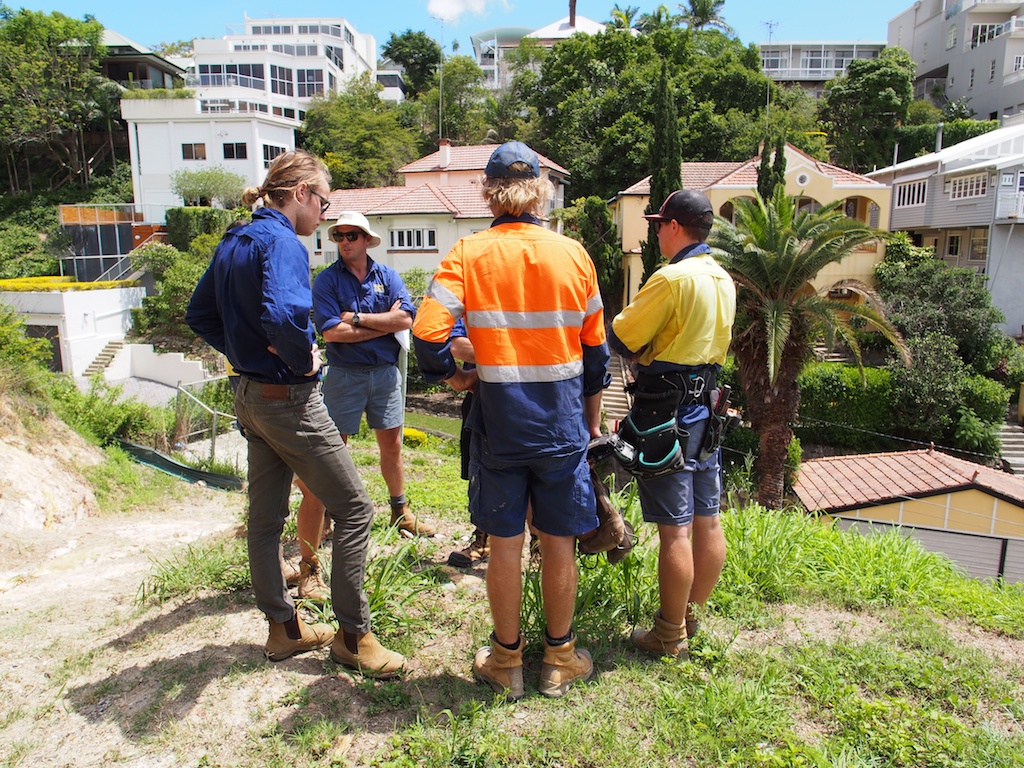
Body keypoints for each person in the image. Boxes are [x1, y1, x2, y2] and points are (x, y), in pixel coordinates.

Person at [185, 150, 404, 678]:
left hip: (249, 396)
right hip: (287, 398)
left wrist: (247, 356)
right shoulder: (283, 241)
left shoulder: (236, 238)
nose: (325, 217)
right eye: (324, 202)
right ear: (302, 191)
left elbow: (199, 314)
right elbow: (286, 314)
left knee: (263, 520)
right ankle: (353, 637)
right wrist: (295, 355)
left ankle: (283, 630)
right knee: (355, 509)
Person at [413, 141, 610, 700]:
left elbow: (428, 336)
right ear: (542, 190)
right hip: (561, 426)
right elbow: (595, 358)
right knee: (559, 543)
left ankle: (506, 664)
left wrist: (454, 376)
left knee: (504, 543)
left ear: (488, 192)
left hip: (499, 424)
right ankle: (561, 659)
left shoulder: (467, 254)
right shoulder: (575, 256)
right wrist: (590, 424)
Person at [608, 189, 736, 658]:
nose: (655, 231)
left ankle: (669, 633)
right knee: (709, 519)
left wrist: (645, 350)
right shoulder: (724, 279)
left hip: (668, 413)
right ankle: (692, 613)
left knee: (675, 530)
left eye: (659, 223)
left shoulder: (671, 279)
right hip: (710, 411)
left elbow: (623, 335)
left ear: (675, 227)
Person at [307, 211, 435, 538]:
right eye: (339, 236)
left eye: (352, 236)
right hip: (344, 375)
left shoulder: (388, 275)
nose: (345, 242)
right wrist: (382, 324)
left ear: (366, 240)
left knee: (391, 446)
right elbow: (332, 333)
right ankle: (324, 515)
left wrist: (358, 319)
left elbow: (406, 319)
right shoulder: (326, 280)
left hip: (385, 375)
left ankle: (399, 511)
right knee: (334, 449)